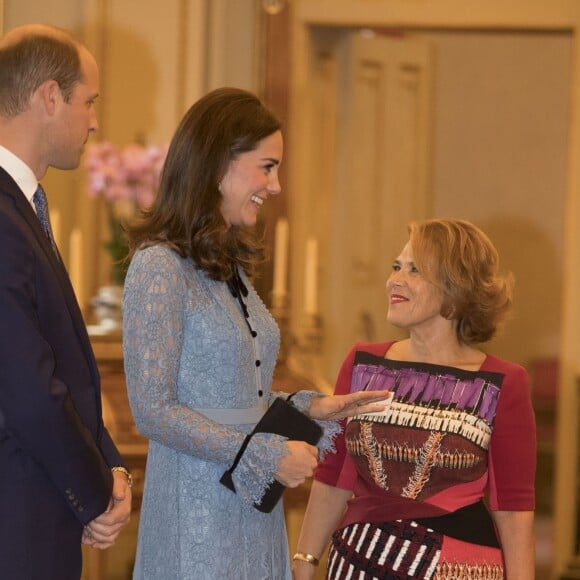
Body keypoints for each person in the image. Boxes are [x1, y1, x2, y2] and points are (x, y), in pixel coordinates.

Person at [122, 87, 390, 580]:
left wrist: (310, 405)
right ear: (218, 163)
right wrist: (260, 451)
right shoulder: (158, 266)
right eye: (266, 167)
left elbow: (233, 393)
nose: (276, 185)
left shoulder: (230, 264)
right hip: (195, 513)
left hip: (254, 507)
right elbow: (152, 411)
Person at [293, 218, 536, 580]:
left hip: (455, 565)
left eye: (415, 270)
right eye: (396, 267)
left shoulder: (503, 382)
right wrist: (303, 562)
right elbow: (334, 477)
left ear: (456, 289)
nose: (394, 280)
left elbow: (513, 510)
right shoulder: (363, 362)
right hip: (359, 563)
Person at [0, 24, 132, 580]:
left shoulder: (21, 208)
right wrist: (96, 492)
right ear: (49, 97)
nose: (95, 120)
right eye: (89, 101)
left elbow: (67, 366)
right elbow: (29, 388)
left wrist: (110, 465)